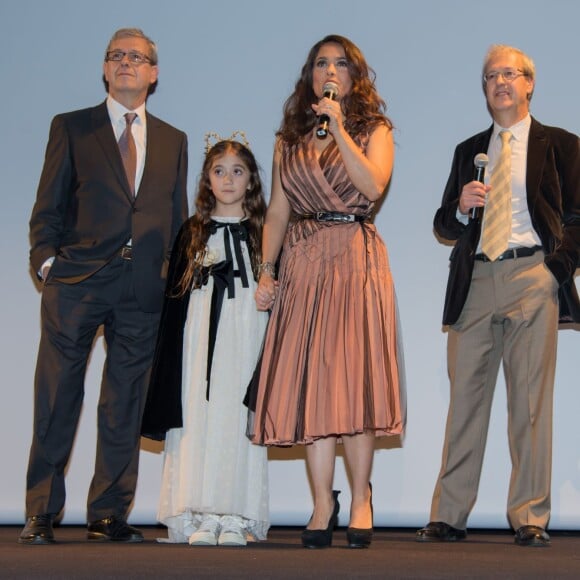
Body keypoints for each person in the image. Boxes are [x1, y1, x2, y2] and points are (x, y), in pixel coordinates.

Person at [20, 28, 188, 545]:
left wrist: (174, 283)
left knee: (125, 403)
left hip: (143, 292)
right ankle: (40, 511)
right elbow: (47, 207)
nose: (125, 63)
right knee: (57, 397)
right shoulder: (72, 128)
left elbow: (178, 218)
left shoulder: (173, 139)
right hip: (76, 285)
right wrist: (48, 265)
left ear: (153, 73)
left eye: (136, 57)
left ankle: (108, 513)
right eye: (116, 55)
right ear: (104, 68)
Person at [416, 45, 579, 548]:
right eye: (491, 75)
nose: (500, 82)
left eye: (510, 73)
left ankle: (530, 515)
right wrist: (461, 209)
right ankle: (449, 515)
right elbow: (444, 223)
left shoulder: (563, 145)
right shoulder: (470, 150)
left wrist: (555, 271)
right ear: (485, 88)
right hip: (477, 279)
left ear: (530, 83)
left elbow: (577, 218)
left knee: (530, 405)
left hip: (533, 272)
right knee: (464, 402)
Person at [249, 34, 406, 549]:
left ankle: (361, 498)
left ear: (354, 77)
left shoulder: (373, 129)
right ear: (310, 76)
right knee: (314, 386)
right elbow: (277, 211)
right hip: (304, 261)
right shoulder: (287, 140)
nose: (330, 70)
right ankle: (323, 502)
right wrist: (266, 269)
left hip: (355, 260)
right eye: (321, 63)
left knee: (355, 383)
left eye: (340, 63)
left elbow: (373, 185)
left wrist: (339, 130)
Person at [141, 135, 270, 547]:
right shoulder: (192, 231)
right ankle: (197, 511)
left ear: (251, 180)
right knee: (199, 416)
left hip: (245, 334)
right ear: (207, 180)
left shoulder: (263, 232)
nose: (228, 180)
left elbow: (276, 283)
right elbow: (176, 300)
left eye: (238, 171)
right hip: (199, 342)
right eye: (219, 171)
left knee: (237, 417)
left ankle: (234, 514)